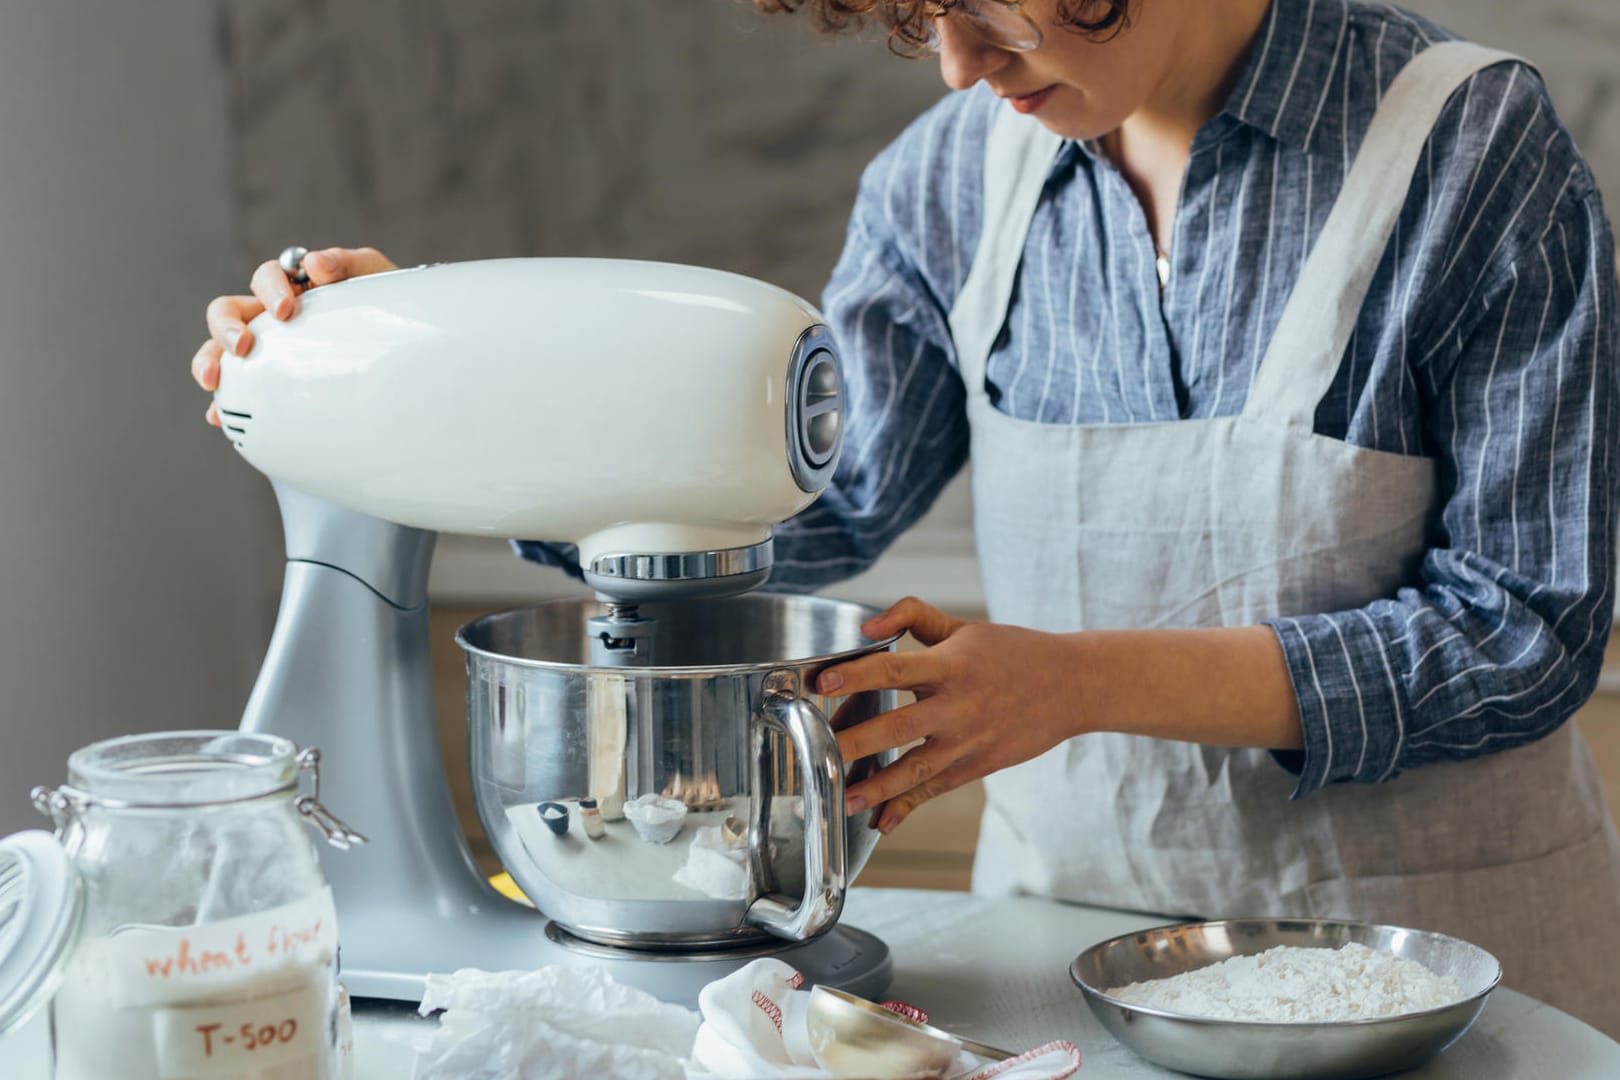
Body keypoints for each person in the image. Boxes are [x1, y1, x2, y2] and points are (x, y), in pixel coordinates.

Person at [192, 0, 1620, 1034]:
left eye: (991, 3)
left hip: (1442, 986)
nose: (954, 60)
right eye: (919, 12)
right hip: (1071, 981)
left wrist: (1074, 683)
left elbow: (1527, 632)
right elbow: (795, 513)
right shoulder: (955, 178)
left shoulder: (1468, 152)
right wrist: (421, 358)